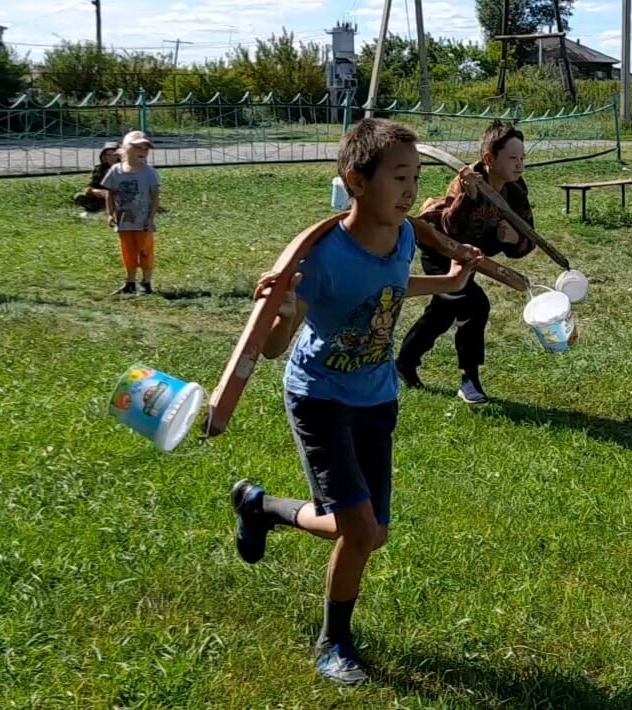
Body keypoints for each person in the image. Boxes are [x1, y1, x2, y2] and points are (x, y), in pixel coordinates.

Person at [230, 118, 482, 686]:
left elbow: (390, 287)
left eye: (416, 176)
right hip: (320, 396)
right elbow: (272, 348)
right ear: (356, 181)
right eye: (399, 177)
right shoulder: (322, 259)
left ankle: (263, 508)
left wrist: (443, 284)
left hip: (376, 396)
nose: (411, 189)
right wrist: (283, 303)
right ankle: (333, 643)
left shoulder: (405, 237)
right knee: (362, 532)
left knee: (372, 531)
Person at [396, 120, 535, 404]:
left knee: (443, 313)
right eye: (512, 158)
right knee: (474, 306)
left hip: (472, 259)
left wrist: (513, 240)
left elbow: (528, 239)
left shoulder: (516, 191)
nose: (519, 164)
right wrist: (469, 198)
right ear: (489, 159)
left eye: (522, 158)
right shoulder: (467, 181)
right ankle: (469, 379)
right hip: (441, 251)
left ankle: (404, 362)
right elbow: (451, 230)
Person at [102, 130, 161, 295]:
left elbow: (155, 196)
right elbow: (110, 193)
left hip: (143, 221)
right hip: (123, 220)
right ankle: (130, 282)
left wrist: (151, 218)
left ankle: (147, 282)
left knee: (145, 250)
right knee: (128, 251)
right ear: (126, 149)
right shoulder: (116, 170)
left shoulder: (149, 172)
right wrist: (110, 213)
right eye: (138, 148)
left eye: (145, 149)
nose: (143, 151)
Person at [74, 141, 119, 215]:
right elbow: (89, 186)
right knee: (79, 197)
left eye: (114, 155)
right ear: (104, 156)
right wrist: (96, 191)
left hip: (118, 197)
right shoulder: (99, 169)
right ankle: (97, 209)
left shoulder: (124, 169)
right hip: (101, 197)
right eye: (108, 155)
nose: (111, 158)